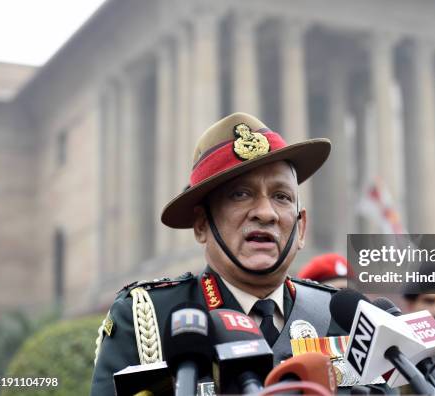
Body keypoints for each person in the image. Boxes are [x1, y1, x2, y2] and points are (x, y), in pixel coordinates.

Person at [90, 112, 343, 395]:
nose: (265, 213)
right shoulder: (146, 319)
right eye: (240, 194)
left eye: (281, 197)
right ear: (201, 225)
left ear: (301, 227)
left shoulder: (340, 317)